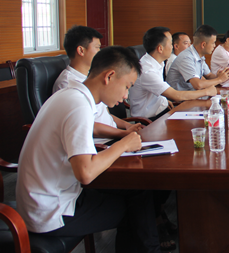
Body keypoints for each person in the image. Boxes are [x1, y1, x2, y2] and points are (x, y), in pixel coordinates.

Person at [17, 46, 164, 253]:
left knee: (138, 191)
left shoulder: (71, 95)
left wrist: (122, 136)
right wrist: (124, 145)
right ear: (109, 76)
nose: (125, 96)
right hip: (51, 211)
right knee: (135, 209)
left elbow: (90, 130)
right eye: (127, 86)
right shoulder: (77, 105)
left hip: (47, 197)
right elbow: (85, 173)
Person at [53, 25, 144, 139]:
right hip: (101, 143)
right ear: (81, 50)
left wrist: (127, 126)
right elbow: (88, 126)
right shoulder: (68, 84)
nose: (100, 52)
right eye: (97, 47)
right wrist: (123, 134)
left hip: (113, 136)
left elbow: (103, 114)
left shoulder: (92, 79)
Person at [129, 27, 218, 120]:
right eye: (171, 43)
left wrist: (163, 101)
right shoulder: (147, 71)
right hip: (150, 119)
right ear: (160, 48)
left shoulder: (157, 62)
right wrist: (206, 92)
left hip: (163, 109)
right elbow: (176, 95)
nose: (172, 47)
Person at [167, 24, 229, 92]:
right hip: (181, 97)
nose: (214, 45)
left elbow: (209, 75)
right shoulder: (186, 57)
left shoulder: (199, 55)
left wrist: (222, 76)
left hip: (194, 94)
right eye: (213, 43)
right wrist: (219, 79)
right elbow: (198, 85)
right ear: (203, 45)